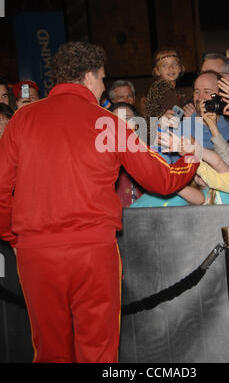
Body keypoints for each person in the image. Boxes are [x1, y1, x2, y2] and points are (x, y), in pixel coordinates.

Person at [0, 41, 200, 364]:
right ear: (90, 76)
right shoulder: (108, 122)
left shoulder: (23, 120)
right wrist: (190, 156)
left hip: (37, 254)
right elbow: (162, 180)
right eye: (103, 78)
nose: (103, 86)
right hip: (93, 253)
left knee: (50, 353)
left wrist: (14, 238)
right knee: (99, 353)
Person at [143, 47, 190, 146]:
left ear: (180, 68)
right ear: (157, 71)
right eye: (164, 65)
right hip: (163, 139)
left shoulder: (174, 91)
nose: (170, 68)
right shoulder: (161, 90)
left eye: (174, 64)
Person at [182, 71, 229, 149]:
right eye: (197, 92)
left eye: (207, 92)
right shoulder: (182, 129)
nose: (200, 97)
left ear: (221, 95)